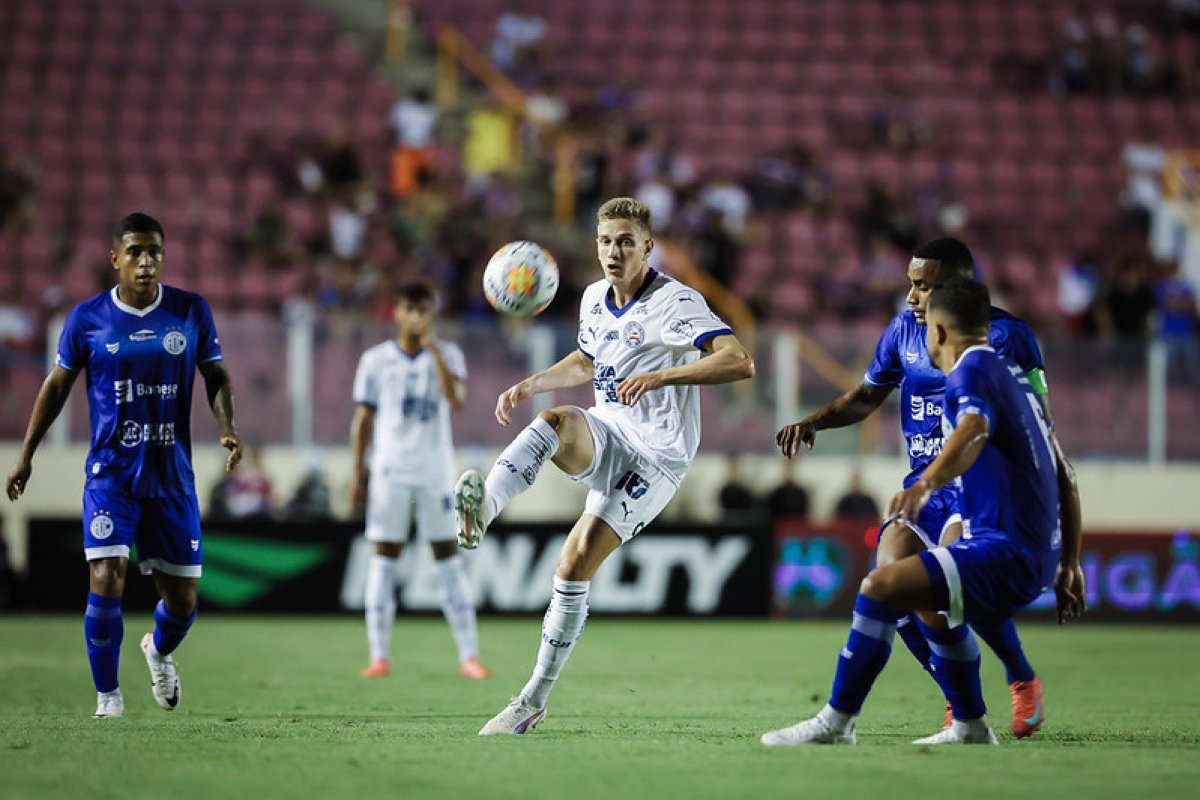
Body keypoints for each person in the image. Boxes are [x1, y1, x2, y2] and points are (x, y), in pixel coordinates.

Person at [454, 196, 755, 735]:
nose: (613, 252)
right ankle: (483, 513)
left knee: (571, 569)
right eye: (604, 241)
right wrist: (531, 382)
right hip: (611, 431)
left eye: (624, 242)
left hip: (659, 456)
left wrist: (663, 376)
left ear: (647, 247)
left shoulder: (677, 302)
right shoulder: (593, 297)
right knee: (556, 420)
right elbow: (589, 361)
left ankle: (531, 700)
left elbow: (739, 361)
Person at [775, 237, 1083, 738]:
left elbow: (1033, 421)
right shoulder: (902, 330)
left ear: (957, 289)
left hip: (972, 485)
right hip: (922, 482)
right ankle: (958, 701)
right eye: (911, 285)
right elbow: (867, 396)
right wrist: (816, 421)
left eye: (925, 286)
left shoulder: (1004, 338)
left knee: (949, 587)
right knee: (892, 582)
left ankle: (1019, 676)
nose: (913, 297)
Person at [5, 213, 243, 718]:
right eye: (134, 251)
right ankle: (108, 697)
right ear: (115, 258)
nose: (146, 261)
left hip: (171, 478)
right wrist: (26, 454)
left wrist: (226, 426)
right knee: (107, 574)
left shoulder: (189, 311)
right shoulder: (87, 319)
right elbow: (57, 386)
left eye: (154, 251)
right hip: (111, 475)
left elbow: (216, 375)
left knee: (182, 602)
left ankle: (157, 650)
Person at [350, 281, 492, 681]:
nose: (418, 316)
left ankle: (469, 656)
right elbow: (363, 421)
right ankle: (378, 655)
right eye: (411, 308)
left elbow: (457, 400)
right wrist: (357, 473)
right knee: (384, 558)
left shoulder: (447, 354)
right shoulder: (375, 361)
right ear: (397, 311)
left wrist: (433, 352)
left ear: (433, 313)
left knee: (448, 558)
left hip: (434, 471)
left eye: (425, 309)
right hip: (389, 471)